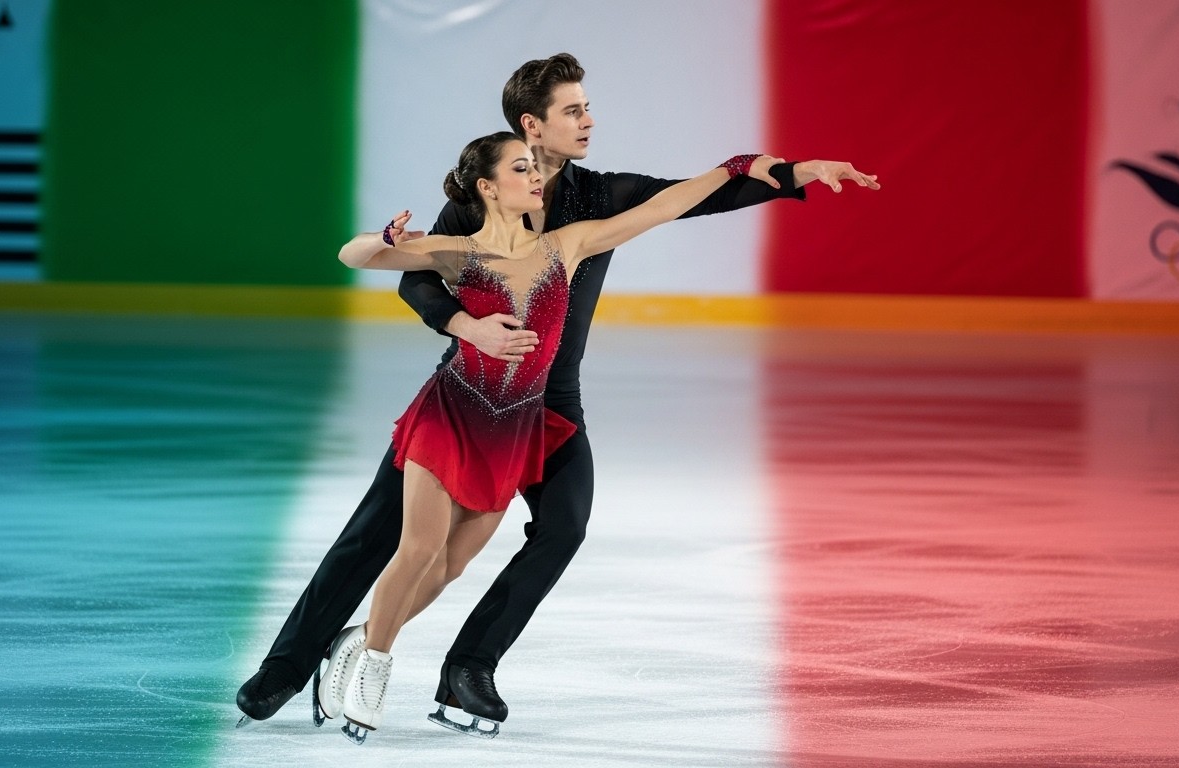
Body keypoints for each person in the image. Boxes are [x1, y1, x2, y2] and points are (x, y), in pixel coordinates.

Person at [236, 53, 879, 739]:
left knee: (562, 526)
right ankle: (287, 666)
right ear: (530, 127)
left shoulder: (597, 201)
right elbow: (416, 276)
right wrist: (467, 326)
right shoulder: (479, 193)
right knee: (378, 535)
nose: (588, 120)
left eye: (586, 107)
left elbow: (683, 197)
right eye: (573, 110)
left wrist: (783, 173)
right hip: (470, 393)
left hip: (551, 401)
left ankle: (467, 667)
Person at [327, 132, 785, 744]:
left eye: (533, 166)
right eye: (520, 167)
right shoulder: (455, 251)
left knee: (453, 562)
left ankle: (357, 640)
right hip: (452, 414)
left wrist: (731, 168)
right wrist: (383, 239)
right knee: (420, 546)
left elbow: (659, 207)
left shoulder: (565, 245)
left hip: (514, 426)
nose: (535, 175)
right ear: (488, 187)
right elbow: (352, 257)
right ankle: (375, 666)